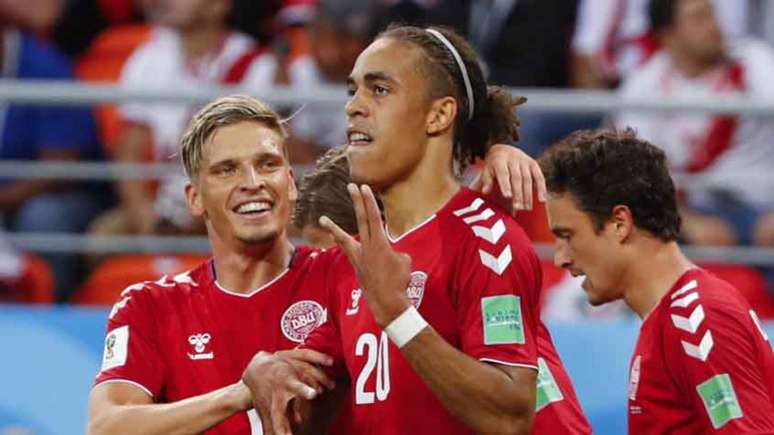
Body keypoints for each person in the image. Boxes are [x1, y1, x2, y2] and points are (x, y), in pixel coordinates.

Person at [87, 93, 548, 434]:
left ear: (290, 183)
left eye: (267, 165)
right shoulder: (149, 305)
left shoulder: (345, 273)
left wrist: (492, 154)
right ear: (194, 198)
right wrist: (242, 393)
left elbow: (436, 237)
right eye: (227, 170)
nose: (252, 182)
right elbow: (107, 427)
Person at [242, 25, 590, 435]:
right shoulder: (355, 257)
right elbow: (306, 393)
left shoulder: (488, 240)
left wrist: (397, 315)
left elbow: (510, 415)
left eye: (380, 90)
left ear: (438, 115)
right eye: (352, 90)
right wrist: (270, 374)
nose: (354, 106)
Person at [540, 128, 774, 433]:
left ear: (620, 224)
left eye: (567, 236)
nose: (560, 258)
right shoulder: (673, 319)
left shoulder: (696, 319)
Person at [615, 0, 774, 247]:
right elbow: (638, 174)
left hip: (763, 201)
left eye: (712, 14)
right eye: (700, 18)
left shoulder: (755, 61)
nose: (714, 26)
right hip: (692, 209)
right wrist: (687, 222)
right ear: (668, 36)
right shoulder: (644, 85)